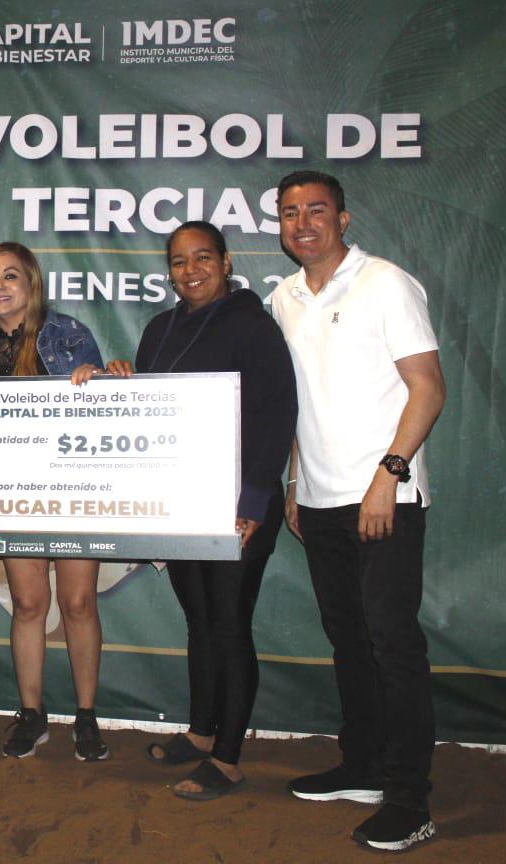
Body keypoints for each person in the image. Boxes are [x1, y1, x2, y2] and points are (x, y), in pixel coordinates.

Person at [82, 221, 297, 799]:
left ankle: (228, 758)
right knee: (200, 621)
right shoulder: (159, 329)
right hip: (181, 502)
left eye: (203, 258)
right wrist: (121, 379)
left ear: (226, 263)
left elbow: (278, 415)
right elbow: (151, 414)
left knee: (229, 625)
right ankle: (202, 734)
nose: (191, 270)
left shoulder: (254, 326)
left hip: (238, 506)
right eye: (179, 261)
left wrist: (253, 503)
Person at [271, 171, 445, 853]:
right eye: (290, 213)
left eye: (316, 210)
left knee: (393, 644)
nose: (303, 223)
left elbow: (427, 388)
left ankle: (409, 799)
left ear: (343, 219)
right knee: (349, 639)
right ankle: (364, 765)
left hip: (383, 500)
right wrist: (295, 483)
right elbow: (297, 401)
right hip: (318, 502)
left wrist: (388, 477)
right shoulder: (283, 297)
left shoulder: (386, 283)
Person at [0, 241, 109, 760]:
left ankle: (86, 716)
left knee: (78, 603)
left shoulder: (70, 335)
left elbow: (102, 412)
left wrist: (97, 383)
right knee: (28, 605)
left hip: (74, 489)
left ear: (32, 283)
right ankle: (31, 713)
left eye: (10, 276)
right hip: (11, 494)